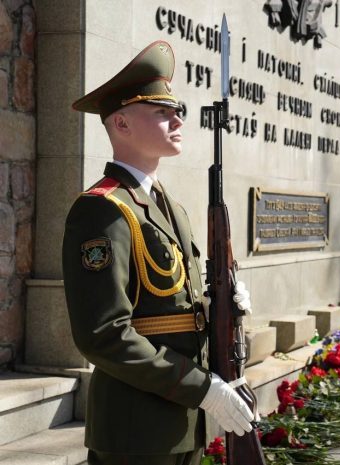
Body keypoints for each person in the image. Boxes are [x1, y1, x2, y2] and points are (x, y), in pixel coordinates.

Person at [62, 41, 255, 464]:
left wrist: (223, 305)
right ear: (122, 123)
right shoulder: (102, 209)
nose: (177, 119)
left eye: (176, 109)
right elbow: (104, 335)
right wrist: (201, 387)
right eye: (161, 112)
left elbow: (177, 308)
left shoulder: (173, 209)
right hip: (136, 432)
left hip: (184, 426)